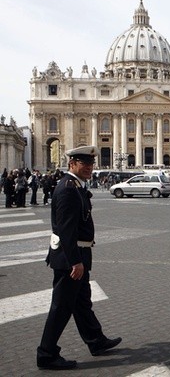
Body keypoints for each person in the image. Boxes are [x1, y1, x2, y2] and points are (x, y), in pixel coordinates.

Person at [37, 146, 122, 370]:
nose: (89, 168)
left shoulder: (75, 186)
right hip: (69, 257)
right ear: (72, 163)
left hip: (77, 254)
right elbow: (65, 230)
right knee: (61, 307)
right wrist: (75, 261)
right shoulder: (67, 189)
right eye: (84, 163)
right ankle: (46, 354)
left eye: (91, 164)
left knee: (82, 302)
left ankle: (96, 340)